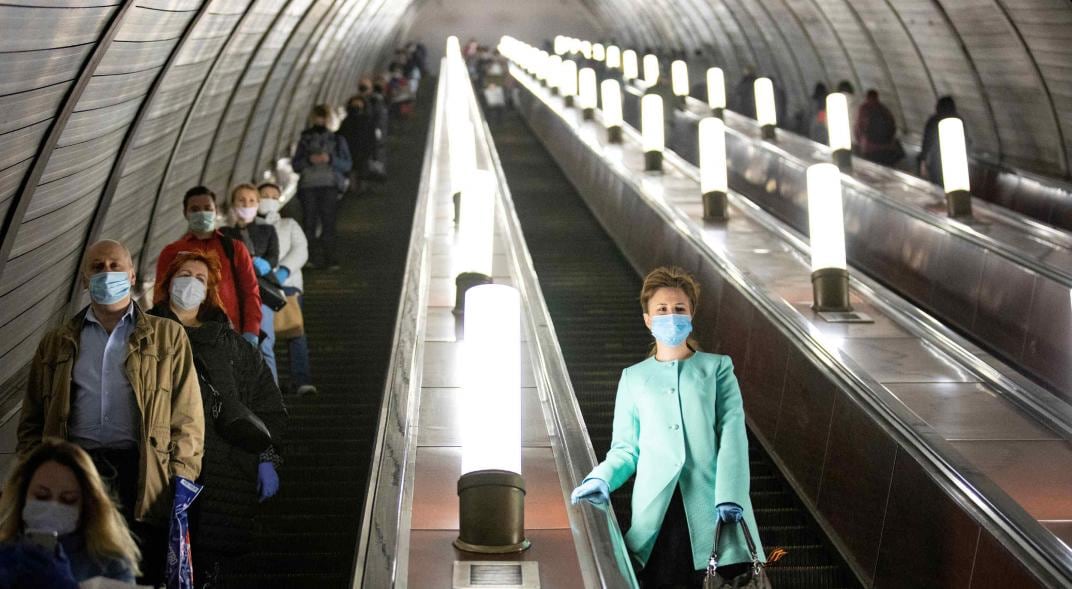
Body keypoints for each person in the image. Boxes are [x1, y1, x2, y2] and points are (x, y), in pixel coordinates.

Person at [17, 239, 204, 584]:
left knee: (137, 570)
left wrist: (182, 475)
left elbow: (187, 415)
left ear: (132, 275)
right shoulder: (57, 342)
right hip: (76, 471)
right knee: (76, 569)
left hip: (142, 472)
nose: (107, 273)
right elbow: (32, 418)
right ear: (85, 279)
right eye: (97, 267)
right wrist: (35, 469)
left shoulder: (167, 337)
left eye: (115, 266)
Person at [571, 267, 763, 588]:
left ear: (691, 316)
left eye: (679, 309)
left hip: (713, 508)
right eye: (661, 310)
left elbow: (732, 436)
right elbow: (626, 448)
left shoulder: (717, 368)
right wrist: (601, 477)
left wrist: (730, 495)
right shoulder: (633, 378)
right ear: (648, 319)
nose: (671, 316)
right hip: (657, 515)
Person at [149, 250, 287, 587]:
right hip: (160, 470)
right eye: (184, 275)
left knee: (209, 567)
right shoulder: (143, 336)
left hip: (224, 472)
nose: (191, 284)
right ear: (168, 283)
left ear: (211, 290)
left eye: (200, 279)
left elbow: (267, 405)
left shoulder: (234, 346)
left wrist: (267, 458)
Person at [0, 439, 140, 585]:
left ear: (86, 505)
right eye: (42, 496)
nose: (53, 507)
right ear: (23, 497)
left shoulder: (111, 565)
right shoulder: (6, 556)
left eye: (68, 499)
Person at [155, 186, 263, 345]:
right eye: (195, 209)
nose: (201, 213)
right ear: (185, 213)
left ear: (215, 210)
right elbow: (160, 295)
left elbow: (250, 292)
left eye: (207, 208)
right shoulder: (172, 252)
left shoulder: (234, 248)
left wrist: (251, 331)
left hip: (229, 334)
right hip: (184, 335)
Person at [258, 182, 317, 396]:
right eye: (264, 195)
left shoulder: (288, 224)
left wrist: (282, 271)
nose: (269, 199)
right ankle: (267, 383)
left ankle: (301, 380)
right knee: (263, 336)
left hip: (288, 285)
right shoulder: (248, 228)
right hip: (259, 288)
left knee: (295, 330)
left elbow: (301, 249)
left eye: (274, 196)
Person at [222, 183, 281, 381]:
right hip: (236, 294)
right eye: (241, 200)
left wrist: (264, 264)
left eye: (251, 200)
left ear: (258, 204)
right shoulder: (224, 234)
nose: (246, 204)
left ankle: (273, 398)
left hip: (262, 292)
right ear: (232, 204)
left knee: (264, 343)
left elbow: (273, 257)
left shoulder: (268, 230)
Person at [292, 104, 352, 270]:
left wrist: (330, 159)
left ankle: (329, 258)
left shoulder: (337, 140)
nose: (320, 120)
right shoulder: (304, 141)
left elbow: (347, 164)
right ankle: (308, 258)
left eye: (323, 117)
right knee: (309, 223)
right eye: (317, 117)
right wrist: (309, 161)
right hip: (308, 186)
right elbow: (295, 165)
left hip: (329, 185)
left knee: (328, 222)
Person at [339, 95, 380, 194]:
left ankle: (360, 189)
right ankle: (355, 190)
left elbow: (372, 138)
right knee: (354, 172)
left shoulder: (367, 120)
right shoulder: (347, 121)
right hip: (351, 151)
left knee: (361, 171)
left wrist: (373, 153)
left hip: (363, 151)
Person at [853, 89, 903, 166]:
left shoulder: (864, 108)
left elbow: (858, 128)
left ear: (867, 97)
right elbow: (893, 127)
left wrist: (860, 143)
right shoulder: (884, 109)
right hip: (886, 148)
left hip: (869, 149)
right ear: (877, 97)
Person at [919, 95, 960, 186]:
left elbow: (927, 142)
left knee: (937, 186)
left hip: (937, 161)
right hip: (956, 163)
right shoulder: (958, 120)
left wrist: (923, 161)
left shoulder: (934, 121)